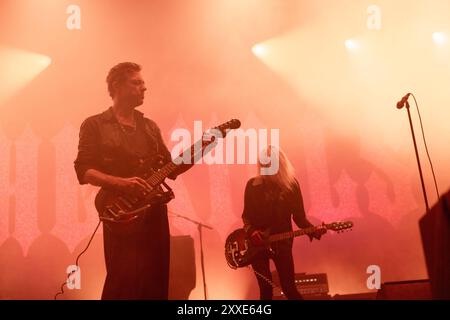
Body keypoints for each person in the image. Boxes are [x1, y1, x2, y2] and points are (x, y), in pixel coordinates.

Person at [74, 62, 188, 299]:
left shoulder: (149, 127)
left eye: (143, 84)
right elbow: (84, 170)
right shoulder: (95, 124)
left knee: (156, 281)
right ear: (117, 86)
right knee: (122, 280)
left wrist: (203, 148)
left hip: (154, 211)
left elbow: (170, 168)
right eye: (136, 83)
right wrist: (121, 183)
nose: (143, 88)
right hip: (121, 212)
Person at [242, 146, 325, 300]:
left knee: (289, 288)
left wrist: (313, 230)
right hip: (256, 245)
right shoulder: (253, 185)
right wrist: (252, 232)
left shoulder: (291, 185)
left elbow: (299, 218)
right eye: (263, 163)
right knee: (265, 290)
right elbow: (246, 216)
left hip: (282, 242)